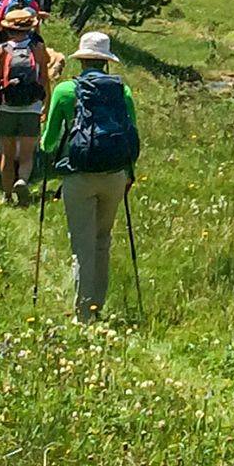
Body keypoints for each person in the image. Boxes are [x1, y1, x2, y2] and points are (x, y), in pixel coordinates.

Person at [41, 32, 141, 320]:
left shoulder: (65, 91)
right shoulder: (123, 92)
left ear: (82, 60)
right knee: (102, 240)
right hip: (115, 175)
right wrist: (128, 174)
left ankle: (84, 313)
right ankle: (97, 305)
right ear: (106, 62)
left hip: (79, 176)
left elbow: (48, 143)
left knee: (81, 244)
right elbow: (131, 135)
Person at [0, 5, 53, 205]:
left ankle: (6, 195)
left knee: (7, 152)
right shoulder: (37, 48)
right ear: (29, 28)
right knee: (27, 153)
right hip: (31, 108)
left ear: (8, 28)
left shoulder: (1, 49)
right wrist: (45, 106)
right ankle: (22, 180)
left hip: (6, 107)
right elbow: (44, 78)